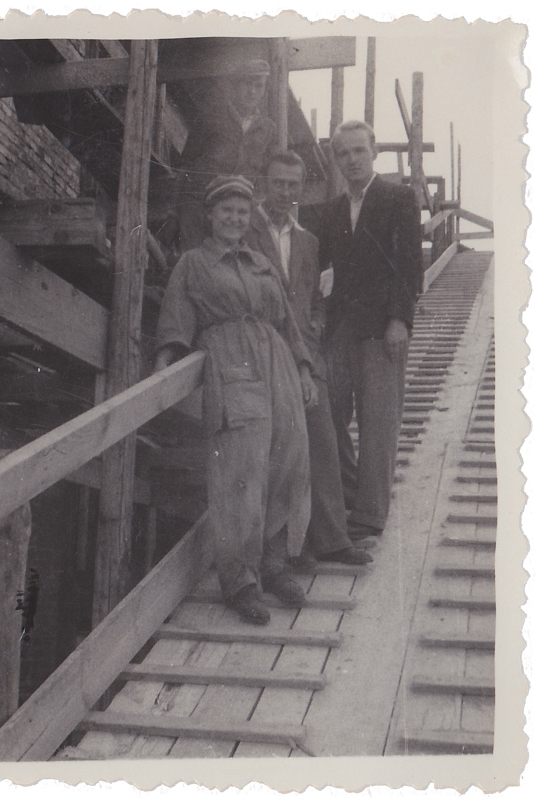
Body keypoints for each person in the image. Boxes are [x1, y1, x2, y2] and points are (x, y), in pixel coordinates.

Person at [155, 175, 318, 625]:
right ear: (210, 215)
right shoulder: (193, 263)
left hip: (278, 362)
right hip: (231, 361)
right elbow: (175, 319)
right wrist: (165, 361)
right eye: (226, 210)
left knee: (287, 460)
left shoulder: (262, 262)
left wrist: (304, 369)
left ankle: (275, 565)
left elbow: (288, 323)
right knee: (240, 471)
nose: (235, 218)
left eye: (242, 212)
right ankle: (240, 582)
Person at [246, 149, 373, 566]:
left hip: (306, 351)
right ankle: (286, 548)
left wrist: (316, 325)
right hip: (263, 348)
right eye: (278, 183)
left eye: (293, 184)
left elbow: (317, 295)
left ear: (302, 188)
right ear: (264, 183)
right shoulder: (244, 230)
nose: (285, 192)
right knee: (274, 447)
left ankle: (332, 539)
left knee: (322, 437)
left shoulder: (308, 240)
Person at [320, 120, 424, 538]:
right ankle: (350, 491)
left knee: (378, 421)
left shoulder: (398, 198)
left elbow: (409, 262)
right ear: (336, 159)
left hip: (383, 327)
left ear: (374, 151)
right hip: (340, 328)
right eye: (343, 153)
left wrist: (399, 319)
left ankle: (370, 514)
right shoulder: (331, 210)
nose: (352, 160)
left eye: (359, 150)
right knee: (325, 411)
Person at [176, 59, 277, 251]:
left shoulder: (268, 129)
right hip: (199, 208)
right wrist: (176, 211)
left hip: (237, 215)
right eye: (247, 84)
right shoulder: (211, 117)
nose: (252, 92)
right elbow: (186, 163)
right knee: (196, 261)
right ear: (235, 85)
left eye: (259, 86)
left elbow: (267, 174)